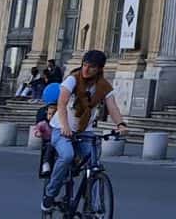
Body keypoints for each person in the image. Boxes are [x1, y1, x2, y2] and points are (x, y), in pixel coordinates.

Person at [42, 50, 128, 211]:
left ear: (100, 69)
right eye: (84, 65)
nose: (86, 69)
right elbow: (61, 104)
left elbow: (113, 107)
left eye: (91, 67)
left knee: (94, 160)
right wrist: (65, 127)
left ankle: (92, 201)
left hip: (84, 131)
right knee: (67, 155)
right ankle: (50, 193)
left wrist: (121, 124)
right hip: (61, 128)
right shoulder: (72, 80)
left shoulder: (103, 86)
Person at [34, 82, 62, 179]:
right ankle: (46, 165)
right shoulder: (45, 111)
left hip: (58, 137)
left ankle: (46, 166)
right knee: (49, 148)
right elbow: (39, 126)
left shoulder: (43, 111)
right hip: (51, 139)